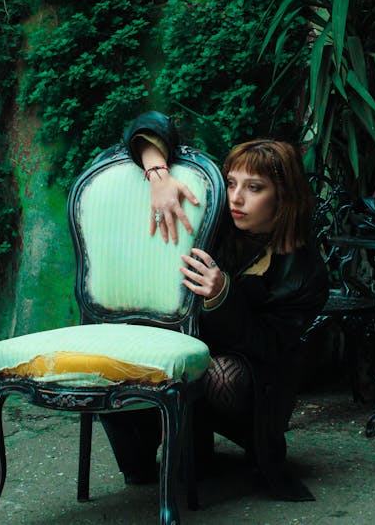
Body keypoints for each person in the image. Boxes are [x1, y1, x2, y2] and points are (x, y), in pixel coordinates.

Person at [102, 111, 329, 500]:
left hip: (257, 376)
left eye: (254, 188)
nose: (236, 198)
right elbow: (152, 121)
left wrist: (223, 295)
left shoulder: (305, 271)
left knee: (219, 374)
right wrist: (157, 175)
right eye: (231, 183)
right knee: (117, 353)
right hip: (193, 343)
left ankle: (203, 441)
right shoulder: (215, 218)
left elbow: (268, 347)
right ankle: (150, 457)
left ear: (283, 197)